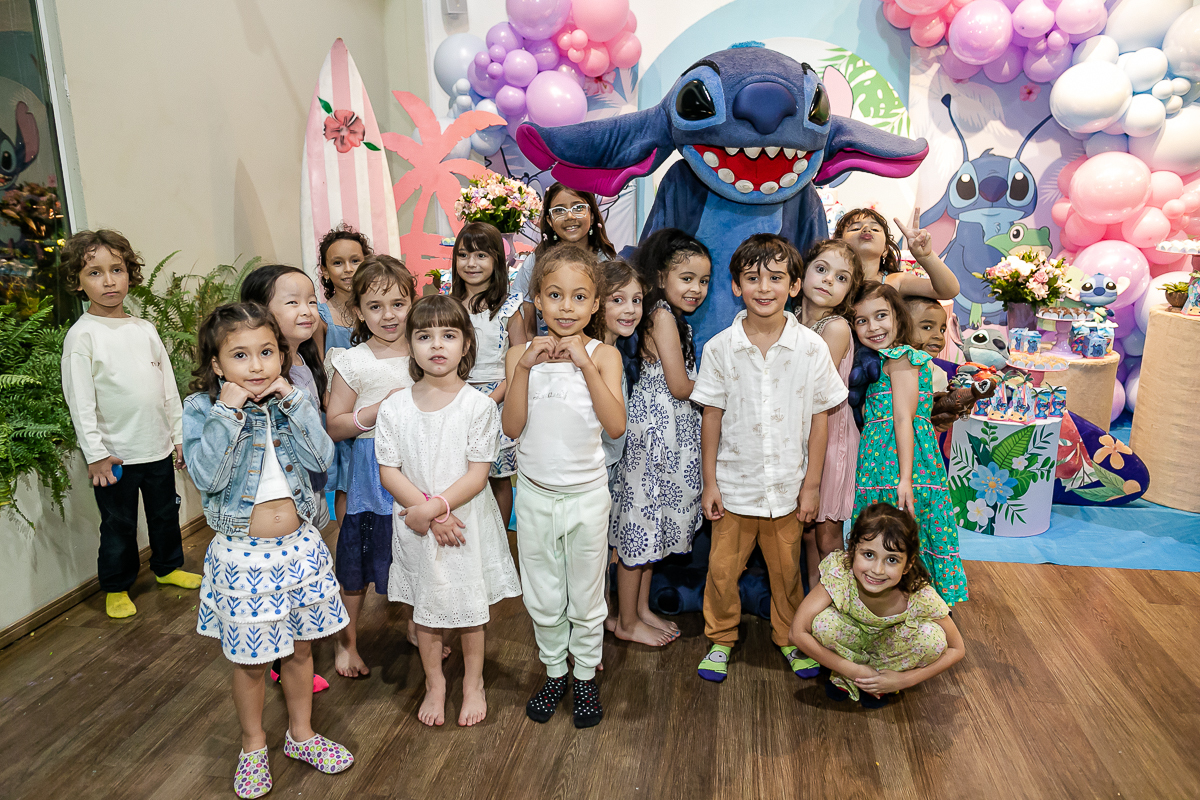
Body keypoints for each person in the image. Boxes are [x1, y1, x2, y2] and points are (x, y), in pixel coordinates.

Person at [183, 303, 351, 798]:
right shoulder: (201, 411)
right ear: (217, 364)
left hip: (300, 549)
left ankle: (302, 735)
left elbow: (323, 460)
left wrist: (298, 405)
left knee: (301, 650)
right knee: (253, 662)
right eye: (240, 355)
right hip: (243, 556)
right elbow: (207, 476)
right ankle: (252, 745)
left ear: (281, 355)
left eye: (266, 352)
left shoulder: (291, 398)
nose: (256, 366)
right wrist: (227, 412)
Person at [691, 234, 848, 683]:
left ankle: (789, 637)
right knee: (722, 571)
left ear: (794, 286)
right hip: (734, 486)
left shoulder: (812, 347)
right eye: (753, 278)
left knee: (787, 573)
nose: (764, 287)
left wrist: (812, 485)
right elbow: (712, 419)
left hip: (787, 487)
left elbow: (821, 419)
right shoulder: (720, 347)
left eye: (776, 278)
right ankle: (720, 638)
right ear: (736, 286)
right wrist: (710, 483)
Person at [376, 295, 522, 728]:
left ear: (466, 346)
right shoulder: (394, 406)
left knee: (469, 610)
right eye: (424, 336)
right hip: (416, 523)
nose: (436, 345)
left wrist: (437, 508)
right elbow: (389, 470)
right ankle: (435, 682)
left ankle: (473, 681)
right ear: (411, 345)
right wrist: (425, 513)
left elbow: (478, 475)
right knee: (426, 610)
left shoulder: (478, 406)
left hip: (464, 524)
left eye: (448, 335)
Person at [503, 244, 625, 728]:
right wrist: (527, 367)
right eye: (555, 295)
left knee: (587, 592)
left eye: (579, 297)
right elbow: (511, 428)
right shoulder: (519, 354)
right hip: (534, 494)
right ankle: (555, 670)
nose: (567, 307)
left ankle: (586, 676)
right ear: (537, 298)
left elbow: (615, 426)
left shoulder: (606, 356)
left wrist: (586, 365)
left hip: (587, 496)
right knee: (543, 591)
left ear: (596, 304)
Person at [60, 230, 200, 619]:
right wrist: (96, 454)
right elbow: (80, 403)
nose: (108, 281)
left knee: (164, 514)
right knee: (119, 525)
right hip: (114, 457)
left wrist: (178, 436)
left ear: (129, 274)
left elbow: (167, 387)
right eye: (94, 273)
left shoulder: (145, 330)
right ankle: (116, 586)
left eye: (116, 270)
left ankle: (169, 567)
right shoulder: (82, 337)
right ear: (78, 282)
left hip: (155, 447)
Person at [609, 229, 712, 648]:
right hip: (655, 434)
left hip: (669, 432)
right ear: (659, 277)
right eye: (686, 277)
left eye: (704, 280)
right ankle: (625, 620)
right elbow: (680, 386)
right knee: (640, 525)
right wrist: (725, 383)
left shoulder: (667, 315)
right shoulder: (662, 315)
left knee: (651, 526)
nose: (696, 288)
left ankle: (639, 610)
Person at [240, 264, 333, 692]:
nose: (307, 310)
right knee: (276, 591)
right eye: (292, 302)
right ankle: (279, 662)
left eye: (312, 301)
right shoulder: (259, 381)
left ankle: (293, 656)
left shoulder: (302, 366)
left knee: (299, 588)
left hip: (311, 497)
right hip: (275, 510)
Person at [325, 255, 415, 678]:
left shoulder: (425, 350)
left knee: (417, 553)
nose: (388, 315)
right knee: (358, 562)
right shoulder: (352, 361)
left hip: (419, 469)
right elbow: (336, 424)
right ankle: (347, 643)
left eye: (398, 303)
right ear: (358, 311)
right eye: (375, 307)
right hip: (372, 476)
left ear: (412, 302)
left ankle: (418, 625)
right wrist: (377, 411)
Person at [849, 282, 968, 605]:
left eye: (881, 316)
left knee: (907, 529)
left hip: (899, 460)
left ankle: (926, 608)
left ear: (898, 318)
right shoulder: (881, 359)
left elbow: (904, 418)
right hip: (879, 460)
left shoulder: (901, 357)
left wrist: (905, 478)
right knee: (890, 533)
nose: (873, 327)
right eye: (862, 320)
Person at [789, 502, 965, 707]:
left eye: (892, 560)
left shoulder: (919, 594)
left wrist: (904, 680)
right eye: (869, 555)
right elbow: (796, 632)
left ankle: (880, 683)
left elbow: (957, 649)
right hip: (850, 647)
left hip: (891, 652)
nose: (878, 570)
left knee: (933, 639)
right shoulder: (840, 573)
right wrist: (852, 670)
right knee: (822, 622)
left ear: (908, 564)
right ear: (853, 550)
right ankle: (847, 678)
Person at [795, 240, 864, 593]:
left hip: (830, 436)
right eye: (821, 269)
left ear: (848, 292)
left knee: (826, 534)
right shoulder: (790, 318)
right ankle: (815, 607)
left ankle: (840, 608)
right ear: (803, 273)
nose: (827, 280)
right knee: (806, 532)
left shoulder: (835, 327)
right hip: (800, 436)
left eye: (840, 278)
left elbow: (811, 386)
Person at [450, 221, 523, 527]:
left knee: (498, 476)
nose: (471, 263)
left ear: (497, 260)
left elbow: (520, 362)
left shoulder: (510, 306)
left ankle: (501, 542)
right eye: (464, 255)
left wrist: (492, 399)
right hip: (455, 398)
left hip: (498, 401)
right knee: (459, 472)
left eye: (481, 255)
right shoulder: (448, 305)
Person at [315, 223, 373, 525]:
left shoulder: (378, 312)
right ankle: (350, 545)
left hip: (378, 405)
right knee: (346, 481)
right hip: (341, 410)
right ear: (325, 271)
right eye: (337, 263)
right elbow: (317, 367)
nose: (348, 269)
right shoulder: (321, 317)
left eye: (355, 260)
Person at [509, 183, 617, 344]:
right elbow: (525, 328)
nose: (570, 217)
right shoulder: (535, 262)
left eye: (578, 208)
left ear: (592, 215)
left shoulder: (608, 263)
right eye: (559, 210)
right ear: (549, 220)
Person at [835, 208, 959, 301]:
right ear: (838, 243)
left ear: (885, 249)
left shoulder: (896, 282)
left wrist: (926, 257)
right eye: (855, 228)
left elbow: (949, 290)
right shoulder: (832, 281)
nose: (866, 229)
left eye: (875, 229)